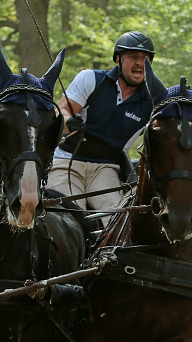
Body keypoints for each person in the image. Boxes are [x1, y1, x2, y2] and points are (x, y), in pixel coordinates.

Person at [47, 31, 157, 210]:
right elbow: (61, 110)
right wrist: (67, 122)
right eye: (133, 56)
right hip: (66, 161)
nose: (140, 62)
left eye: (145, 58)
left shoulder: (151, 104)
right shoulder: (91, 79)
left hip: (105, 168)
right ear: (118, 60)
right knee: (71, 214)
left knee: (116, 217)